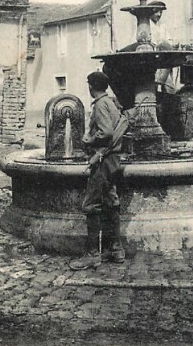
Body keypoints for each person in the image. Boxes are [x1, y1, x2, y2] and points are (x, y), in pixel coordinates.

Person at [70, 71, 128, 270]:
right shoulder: (111, 102)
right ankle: (116, 249)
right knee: (111, 201)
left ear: (91, 86)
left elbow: (106, 132)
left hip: (103, 161)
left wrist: (90, 140)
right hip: (113, 159)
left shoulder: (101, 104)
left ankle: (93, 254)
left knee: (91, 204)